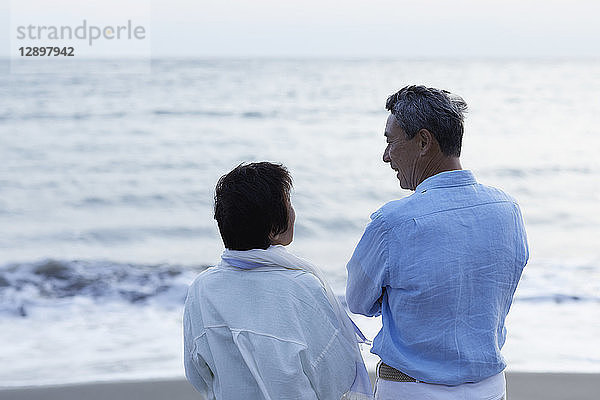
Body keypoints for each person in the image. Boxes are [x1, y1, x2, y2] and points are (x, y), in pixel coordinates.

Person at [346, 85, 529, 400]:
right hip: (489, 389)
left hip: (411, 390)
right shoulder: (507, 210)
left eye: (390, 141)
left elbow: (358, 301)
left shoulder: (393, 222)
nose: (386, 155)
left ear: (423, 141)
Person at [184, 162, 372, 400]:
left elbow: (197, 372)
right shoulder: (301, 286)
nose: (293, 212)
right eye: (289, 203)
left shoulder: (202, 289)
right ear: (273, 227)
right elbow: (337, 376)